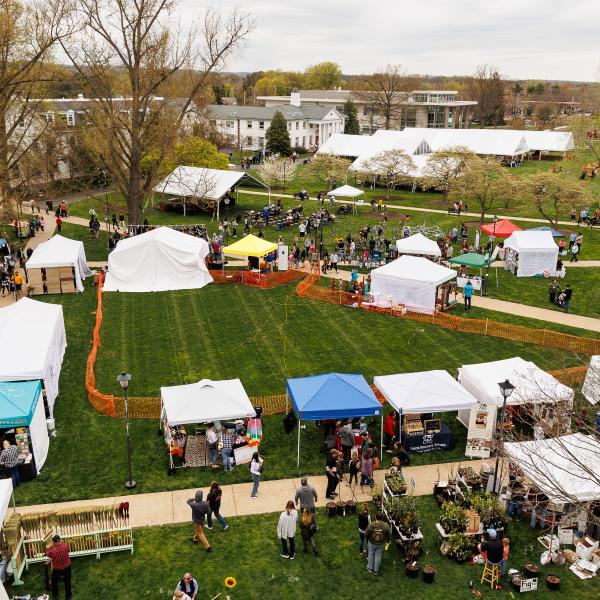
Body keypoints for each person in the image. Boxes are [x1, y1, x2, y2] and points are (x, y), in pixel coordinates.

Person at [46, 535, 72, 600]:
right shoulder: (66, 546)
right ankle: (68, 596)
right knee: (67, 581)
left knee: (54, 583)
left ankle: (55, 595)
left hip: (57, 569)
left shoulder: (52, 551)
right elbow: (67, 550)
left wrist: (48, 547)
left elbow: (48, 554)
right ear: (60, 540)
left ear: (54, 542)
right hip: (67, 566)